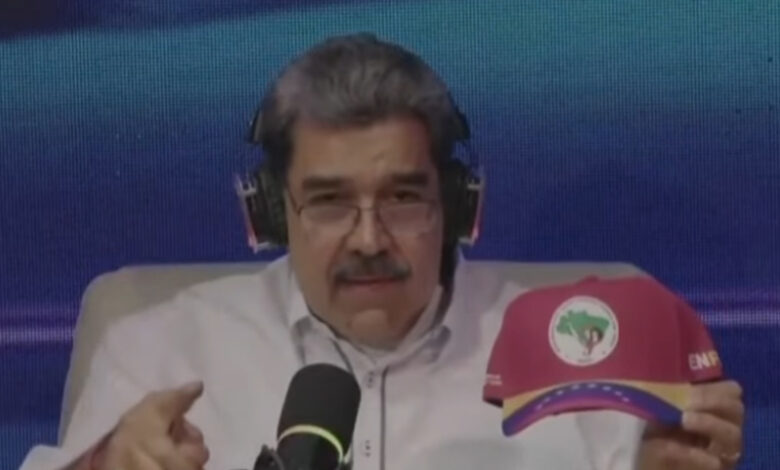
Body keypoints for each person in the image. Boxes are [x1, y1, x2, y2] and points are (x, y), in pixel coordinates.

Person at [20, 33, 744, 470]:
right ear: (271, 212)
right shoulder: (160, 349)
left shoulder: (581, 354)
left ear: (457, 204)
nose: (369, 240)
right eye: (329, 202)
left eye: (402, 198)